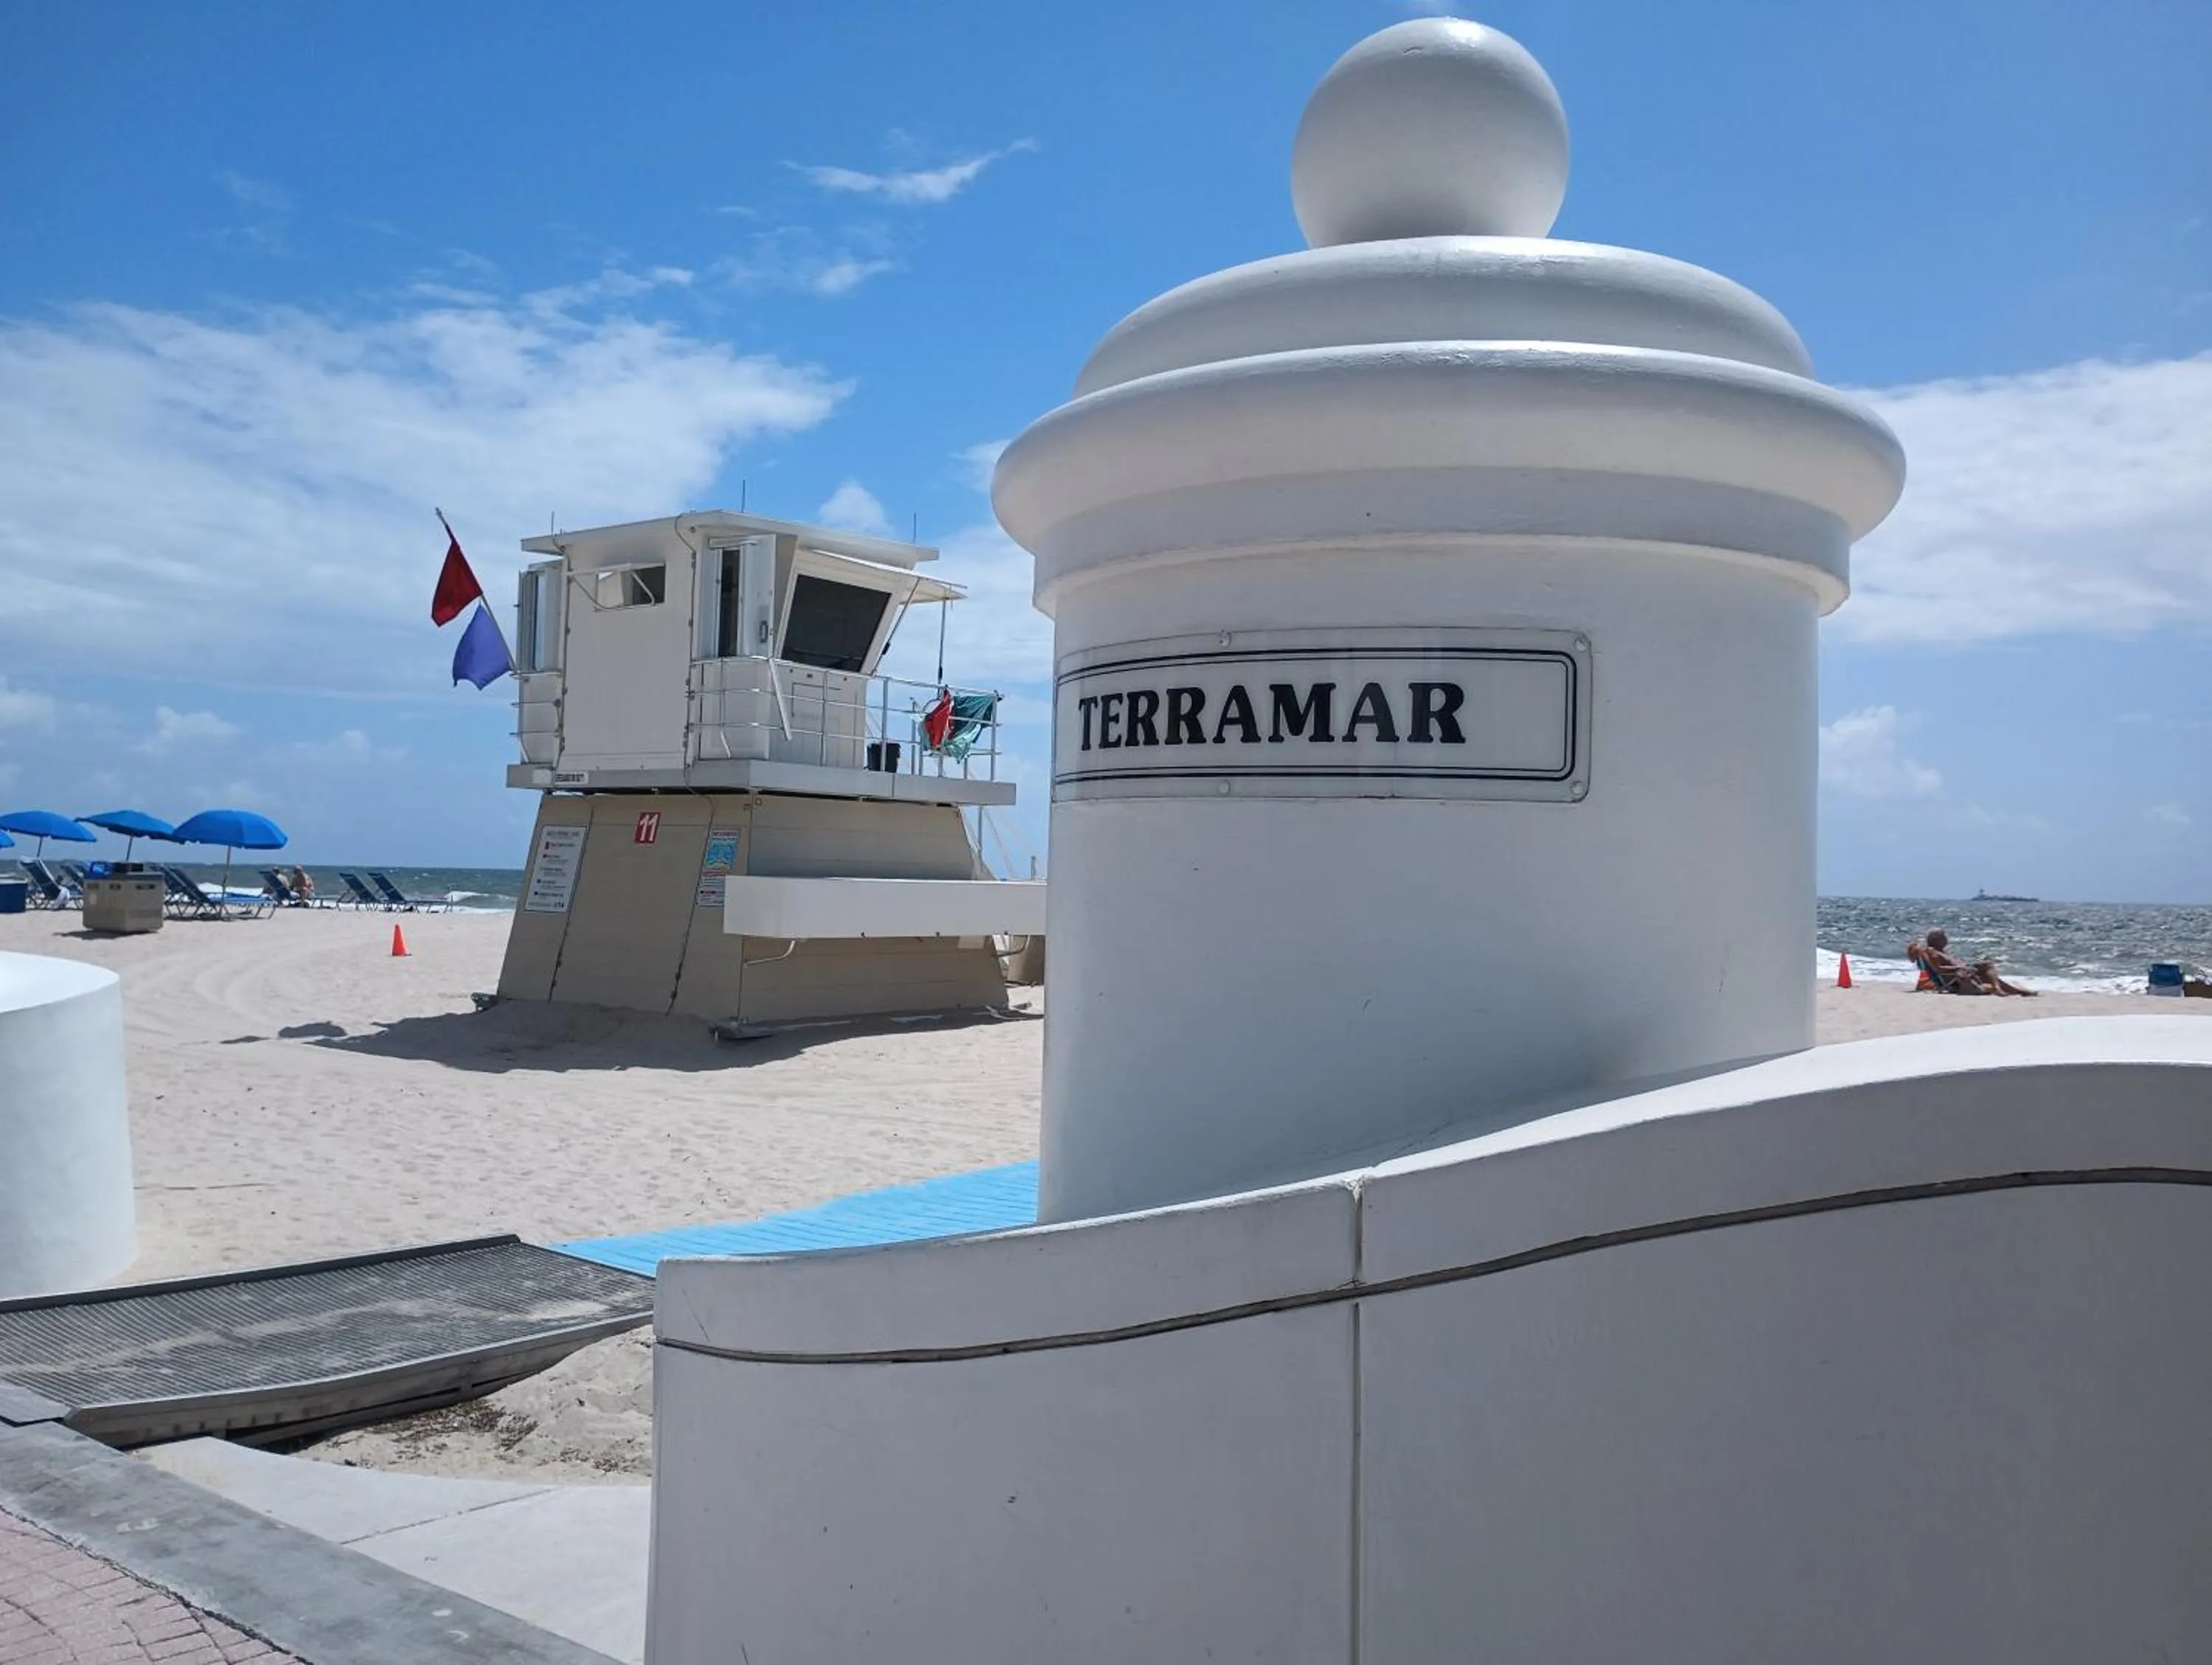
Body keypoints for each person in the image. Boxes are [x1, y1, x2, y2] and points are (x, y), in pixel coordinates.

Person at [1919, 928, 2037, 996]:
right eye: (1944, 936)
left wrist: (1964, 967)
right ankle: (2006, 990)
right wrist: (1960, 968)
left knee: (1986, 967)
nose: (1947, 939)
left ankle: (2007, 990)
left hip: (1959, 974)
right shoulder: (1932, 951)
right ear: (1936, 940)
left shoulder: (1941, 951)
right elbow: (1938, 969)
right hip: (1953, 980)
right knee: (1986, 969)